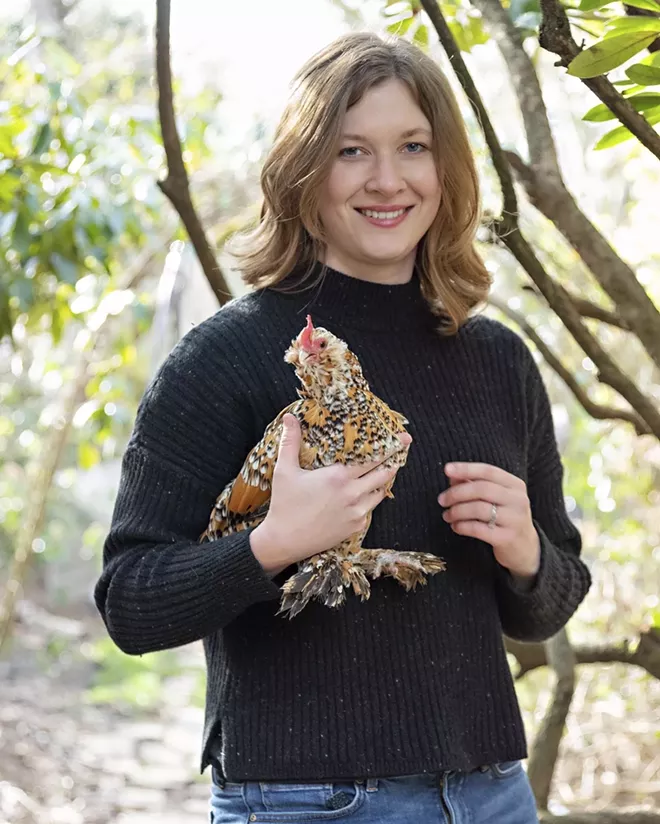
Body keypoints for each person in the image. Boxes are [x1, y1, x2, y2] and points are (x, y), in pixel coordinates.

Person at [94, 31, 592, 823]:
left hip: (490, 791)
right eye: (351, 150)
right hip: (305, 801)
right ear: (304, 172)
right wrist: (272, 543)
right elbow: (129, 601)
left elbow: (550, 601)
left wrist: (527, 552)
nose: (387, 179)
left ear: (446, 168)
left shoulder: (498, 361)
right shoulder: (226, 358)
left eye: (413, 146)